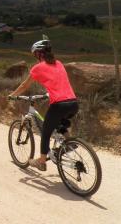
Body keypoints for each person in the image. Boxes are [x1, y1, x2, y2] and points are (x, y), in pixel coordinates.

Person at [8, 39, 78, 171]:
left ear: (38, 54)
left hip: (59, 104)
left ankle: (41, 161)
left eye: (35, 54)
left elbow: (25, 85)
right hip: (73, 103)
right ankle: (69, 143)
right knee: (59, 124)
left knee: (46, 131)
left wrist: (12, 95)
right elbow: (58, 81)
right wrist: (48, 92)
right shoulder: (59, 63)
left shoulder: (38, 68)